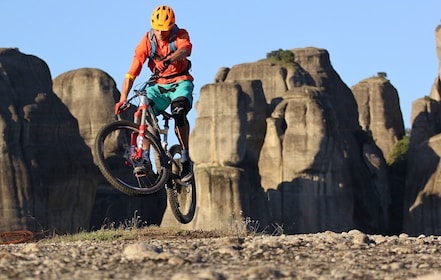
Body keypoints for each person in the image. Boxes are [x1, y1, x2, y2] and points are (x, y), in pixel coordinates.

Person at [115, 5, 194, 181]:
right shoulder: (147, 41)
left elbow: (185, 50)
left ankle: (186, 157)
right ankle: (143, 157)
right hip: (158, 86)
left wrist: (169, 59)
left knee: (179, 112)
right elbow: (131, 73)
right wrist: (123, 98)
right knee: (143, 111)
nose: (161, 33)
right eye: (158, 29)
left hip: (181, 81)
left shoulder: (179, 34)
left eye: (164, 30)